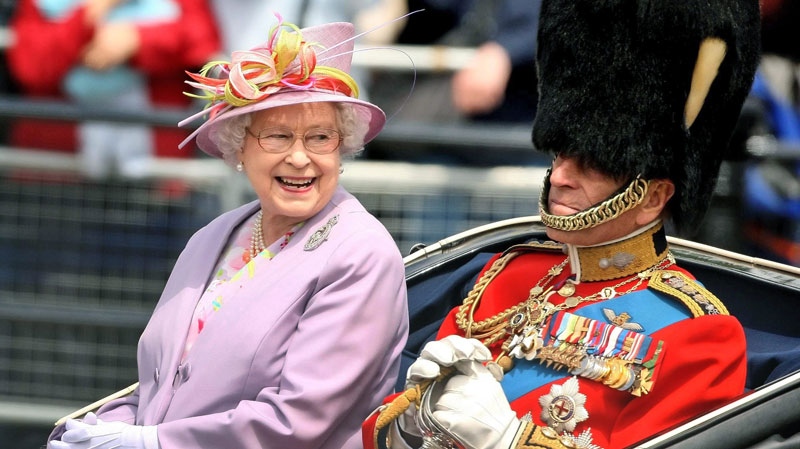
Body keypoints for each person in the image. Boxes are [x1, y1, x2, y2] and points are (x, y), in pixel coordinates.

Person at [364, 0, 761, 448]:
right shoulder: (508, 272)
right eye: (558, 155)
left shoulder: (699, 334)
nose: (560, 177)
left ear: (653, 196)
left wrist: (512, 440)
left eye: (591, 165)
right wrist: (410, 423)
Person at [46, 18, 408, 449]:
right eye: (277, 137)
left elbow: (299, 419)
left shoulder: (360, 252)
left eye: (320, 138)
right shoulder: (213, 236)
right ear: (240, 148)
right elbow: (158, 388)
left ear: (343, 148)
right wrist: (106, 428)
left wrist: (154, 443)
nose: (299, 157)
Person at [6, 0, 221, 177]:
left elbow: (202, 44)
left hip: (156, 171)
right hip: (56, 172)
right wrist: (92, 12)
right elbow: (31, 67)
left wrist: (139, 39)